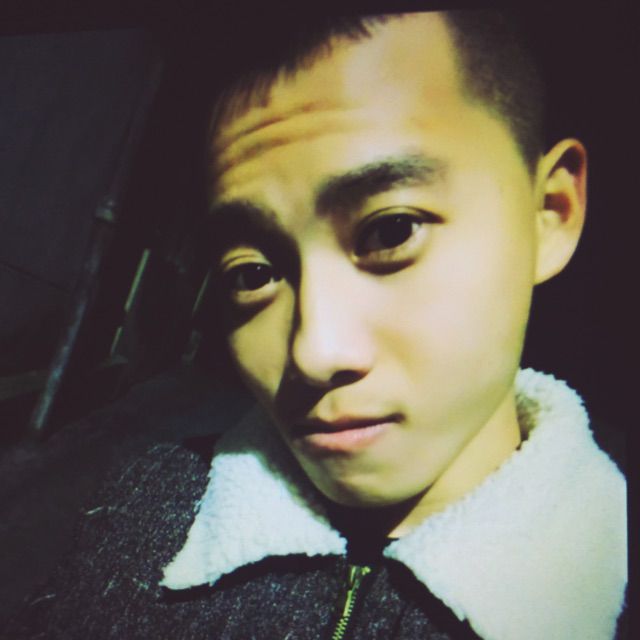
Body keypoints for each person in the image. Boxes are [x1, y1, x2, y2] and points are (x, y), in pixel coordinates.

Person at [4, 8, 626, 640]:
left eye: (392, 232)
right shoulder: (140, 511)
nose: (314, 352)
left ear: (549, 214)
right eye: (252, 273)